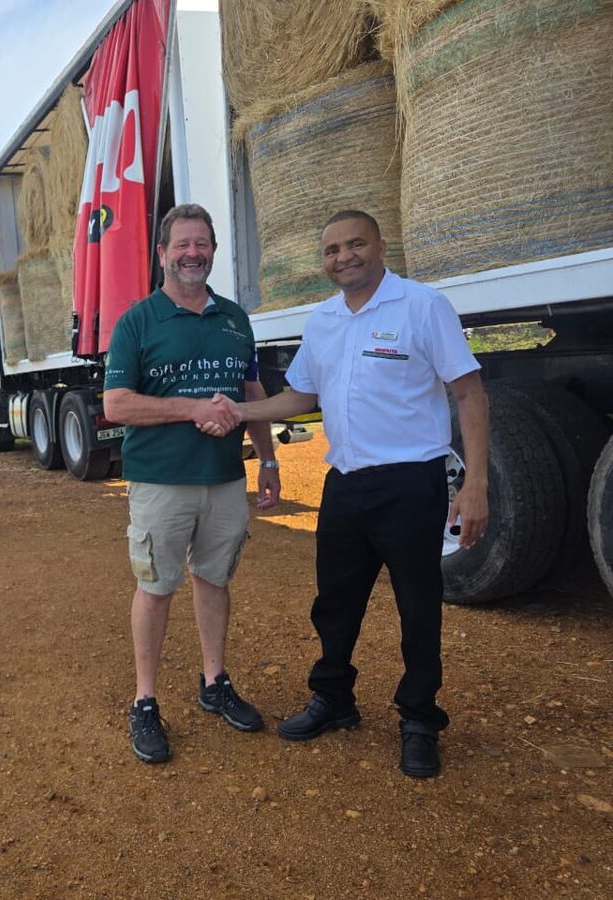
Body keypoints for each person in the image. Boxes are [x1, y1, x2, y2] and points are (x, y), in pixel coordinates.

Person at [202, 209, 490, 778]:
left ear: (380, 246)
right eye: (332, 250)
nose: (344, 257)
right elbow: (297, 397)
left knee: (418, 607)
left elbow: (469, 393)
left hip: (411, 483)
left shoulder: (422, 306)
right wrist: (238, 412)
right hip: (346, 487)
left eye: (355, 245)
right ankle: (334, 699)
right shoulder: (323, 321)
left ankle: (419, 718)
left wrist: (476, 482)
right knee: (334, 604)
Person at [103, 203, 280, 765]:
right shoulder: (138, 321)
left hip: (225, 477)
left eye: (202, 244)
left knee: (214, 580)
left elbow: (252, 392)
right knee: (156, 587)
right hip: (161, 481)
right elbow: (116, 404)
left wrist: (269, 459)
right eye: (182, 244)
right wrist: (191, 408)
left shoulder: (235, 319)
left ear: (212, 252)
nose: (192, 253)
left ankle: (214, 681)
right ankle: (146, 700)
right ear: (162, 254)